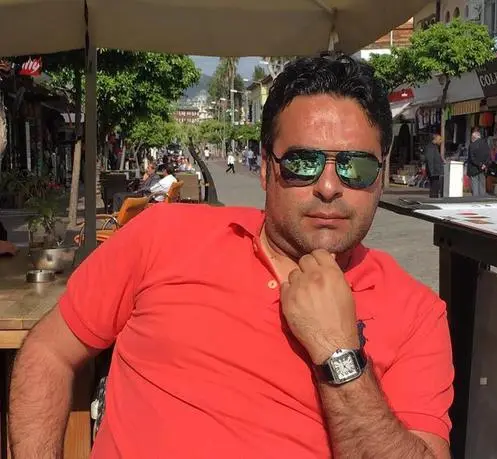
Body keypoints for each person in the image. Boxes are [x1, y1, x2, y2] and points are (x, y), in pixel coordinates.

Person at [8, 55, 453, 459]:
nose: (329, 187)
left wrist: (339, 352)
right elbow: (49, 350)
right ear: (266, 168)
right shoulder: (162, 237)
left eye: (355, 166)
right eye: (302, 162)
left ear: (380, 175)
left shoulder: (416, 314)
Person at [467, 127, 491, 197]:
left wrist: (480, 164)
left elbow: (472, 158)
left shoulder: (472, 145)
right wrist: (484, 165)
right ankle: (482, 200)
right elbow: (489, 156)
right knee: (482, 186)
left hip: (474, 169)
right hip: (482, 169)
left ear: (473, 137)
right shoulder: (486, 145)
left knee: (475, 186)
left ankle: (476, 200)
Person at [424, 134, 444, 198]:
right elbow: (430, 159)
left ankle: (434, 197)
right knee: (434, 187)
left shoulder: (434, 147)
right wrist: (432, 172)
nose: (441, 141)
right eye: (440, 139)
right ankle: (433, 198)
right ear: (435, 139)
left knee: (435, 187)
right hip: (434, 171)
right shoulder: (430, 147)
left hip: (435, 171)